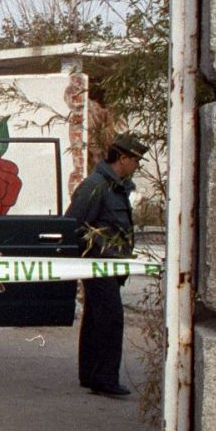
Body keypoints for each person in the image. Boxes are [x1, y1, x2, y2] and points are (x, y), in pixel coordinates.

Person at [65, 134, 148, 399]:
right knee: (111, 319)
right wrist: (101, 250)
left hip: (109, 265)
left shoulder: (115, 187)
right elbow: (74, 225)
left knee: (95, 318)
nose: (137, 166)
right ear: (122, 158)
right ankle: (105, 379)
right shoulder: (95, 186)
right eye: (136, 160)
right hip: (99, 264)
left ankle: (91, 374)